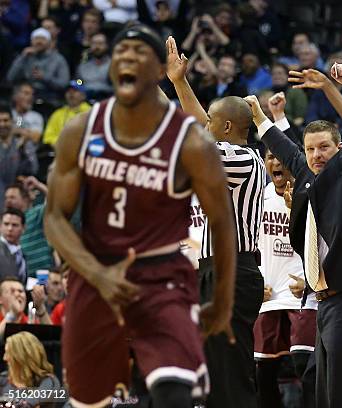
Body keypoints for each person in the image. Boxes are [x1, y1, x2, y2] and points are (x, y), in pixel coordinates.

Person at [43, 24, 236, 407]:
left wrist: (224, 301)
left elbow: (221, 221)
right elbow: (54, 217)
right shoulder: (81, 129)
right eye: (121, 51)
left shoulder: (191, 142)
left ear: (158, 71)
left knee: (173, 390)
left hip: (161, 274)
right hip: (95, 275)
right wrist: (95, 272)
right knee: (87, 399)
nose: (128, 57)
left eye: (139, 52)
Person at [245, 61, 342, 408]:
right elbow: (287, 151)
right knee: (322, 388)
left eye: (323, 147)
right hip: (325, 300)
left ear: (338, 148)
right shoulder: (309, 174)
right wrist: (259, 118)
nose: (315, 155)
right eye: (311, 149)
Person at [166, 35, 266, 408]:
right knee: (211, 370)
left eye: (212, 122)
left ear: (226, 129)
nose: (205, 126)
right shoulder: (225, 152)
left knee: (231, 370)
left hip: (233, 272)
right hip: (211, 270)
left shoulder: (243, 159)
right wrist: (178, 82)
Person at [255, 141, 317, 408]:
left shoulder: (311, 194)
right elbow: (244, 243)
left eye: (281, 157)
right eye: (270, 157)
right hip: (267, 293)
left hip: (302, 294)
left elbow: (324, 243)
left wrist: (311, 281)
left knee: (306, 366)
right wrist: (254, 281)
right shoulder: (257, 196)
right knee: (262, 372)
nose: (276, 162)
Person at [6, 27, 70, 103]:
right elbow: (11, 77)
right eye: (36, 39)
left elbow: (64, 84)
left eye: (43, 39)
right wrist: (22, 57)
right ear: (31, 41)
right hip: (26, 98)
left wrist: (44, 77)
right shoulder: (26, 57)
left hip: (50, 99)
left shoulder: (58, 59)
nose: (39, 41)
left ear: (49, 42)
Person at [0, 331, 62, 407]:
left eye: (8, 353)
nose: (4, 358)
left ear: (21, 357)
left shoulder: (49, 382)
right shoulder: (3, 379)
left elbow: (27, 405)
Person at [0, 104, 39, 210]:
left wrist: (22, 149)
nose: (2, 124)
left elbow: (33, 169)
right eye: (0, 121)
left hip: (17, 199)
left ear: (12, 121)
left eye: (6, 120)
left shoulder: (23, 143)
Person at [42, 79, 91, 146]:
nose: (71, 94)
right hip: (60, 151)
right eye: (69, 91)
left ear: (83, 95)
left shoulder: (91, 113)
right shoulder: (58, 114)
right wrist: (63, 143)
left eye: (75, 91)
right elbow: (47, 137)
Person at [0, 208, 27, 283]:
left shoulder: (22, 254)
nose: (10, 228)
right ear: (0, 226)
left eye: (14, 225)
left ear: (23, 228)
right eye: (6, 224)